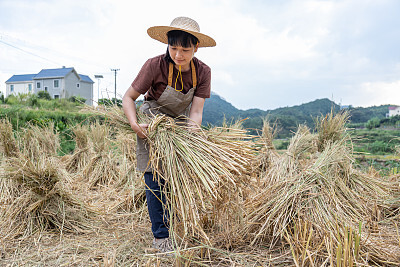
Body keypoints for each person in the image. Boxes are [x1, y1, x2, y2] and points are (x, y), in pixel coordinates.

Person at [122, 16, 216, 253]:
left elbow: (195, 112)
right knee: (154, 179)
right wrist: (135, 124)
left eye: (185, 49)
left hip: (181, 124)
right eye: (173, 48)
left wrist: (192, 137)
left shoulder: (203, 72)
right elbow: (128, 98)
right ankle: (161, 236)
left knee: (175, 179)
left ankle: (174, 226)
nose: (178, 55)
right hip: (152, 123)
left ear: (196, 47)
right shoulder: (154, 65)